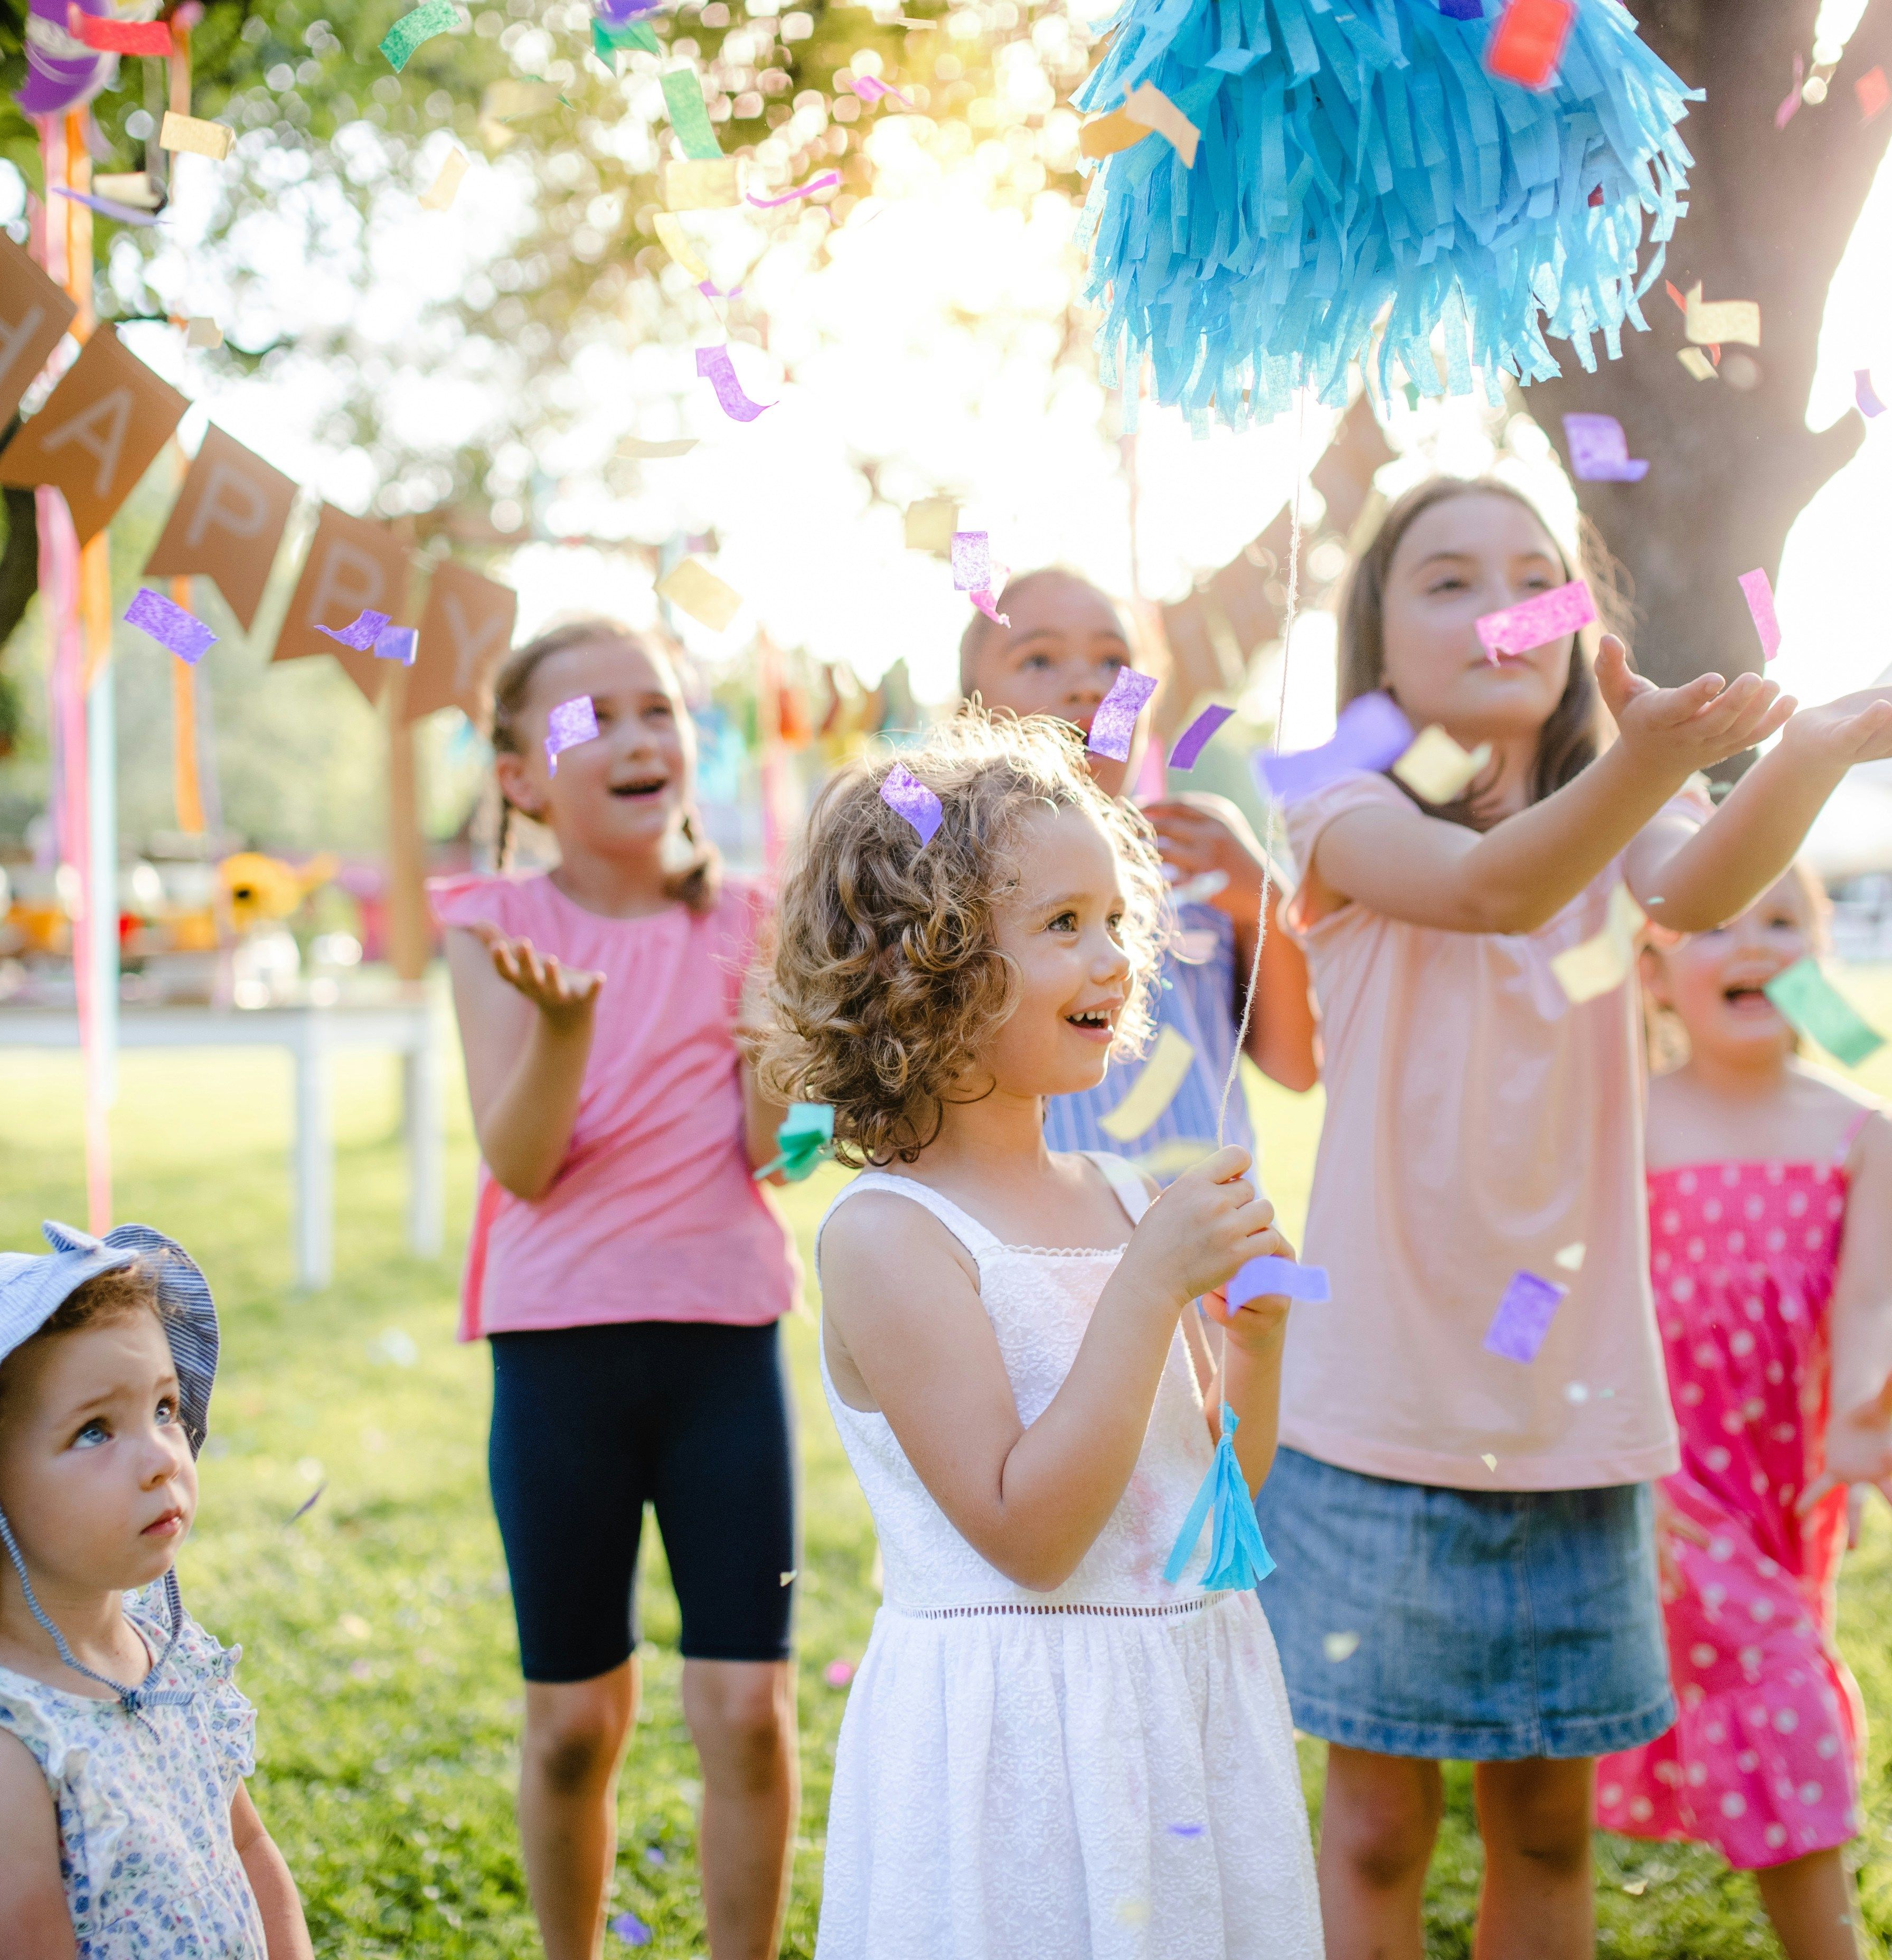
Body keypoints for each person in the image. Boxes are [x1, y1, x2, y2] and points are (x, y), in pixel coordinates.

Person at [1247, 475, 1892, 1960]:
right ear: (1377, 641)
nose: (1499, 606)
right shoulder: (1333, 803)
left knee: (1546, 1822)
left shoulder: (1620, 806)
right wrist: (1647, 764)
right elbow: (1486, 891)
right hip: (1375, 1417)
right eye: (1447, 580)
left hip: (1575, 1418)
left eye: (1537, 576)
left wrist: (1822, 746)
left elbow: (1715, 876)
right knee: (1380, 1825)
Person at [760, 716, 1324, 1958]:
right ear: (928, 959)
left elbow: (1203, 1509)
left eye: (1117, 920)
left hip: (1177, 1710)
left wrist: (1258, 1348)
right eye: (1063, 924)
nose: (1116, 958)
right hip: (1018, 1745)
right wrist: (1142, 1292)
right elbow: (1029, 1533)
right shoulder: (888, 1237)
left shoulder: (1125, 1193)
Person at [432, 619, 802, 1960]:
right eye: (596, 719)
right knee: (575, 1720)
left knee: (746, 1708)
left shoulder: (753, 919)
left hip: (723, 1345)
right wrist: (569, 1029)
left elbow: (776, 1149)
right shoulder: (492, 926)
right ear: (523, 774)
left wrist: (782, 1048)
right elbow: (520, 1161)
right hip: (557, 1354)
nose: (643, 736)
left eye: (660, 710)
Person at [1594, 863, 1892, 1959]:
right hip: (1666, 1481)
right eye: (1712, 925)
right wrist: (1609, 1466)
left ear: (1820, 956)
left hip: (1789, 1482)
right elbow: (1573, 1300)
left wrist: (1862, 1413)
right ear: (1652, 975)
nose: (1752, 943)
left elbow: (1875, 1298)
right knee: (1778, 1688)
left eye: (1783, 921)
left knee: (1765, 1663)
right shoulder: (1627, 1124)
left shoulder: (1863, 1134)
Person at [0, 1222, 311, 1959]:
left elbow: (246, 1852)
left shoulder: (170, 1660)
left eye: (162, 1409)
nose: (161, 1457)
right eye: (95, 1431)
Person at [957, 568, 1319, 1174]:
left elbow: (1297, 1067)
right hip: (1041, 1247)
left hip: (1209, 1239)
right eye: (1040, 660)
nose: (1088, 687)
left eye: (1114, 663)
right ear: (969, 711)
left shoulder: (1197, 852)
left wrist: (1262, 897)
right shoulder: (944, 875)